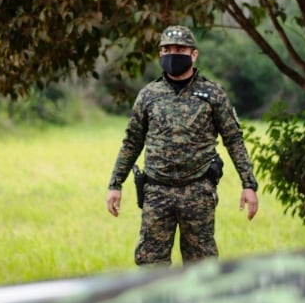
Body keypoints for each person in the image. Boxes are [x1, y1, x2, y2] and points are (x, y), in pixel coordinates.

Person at [106, 25, 259, 265]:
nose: (172, 54)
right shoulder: (149, 95)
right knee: (151, 267)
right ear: (159, 54)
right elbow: (131, 141)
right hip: (157, 192)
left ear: (194, 54)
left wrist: (248, 185)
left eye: (179, 49)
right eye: (166, 49)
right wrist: (115, 184)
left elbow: (233, 139)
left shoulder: (212, 94)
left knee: (201, 268)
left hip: (198, 191)